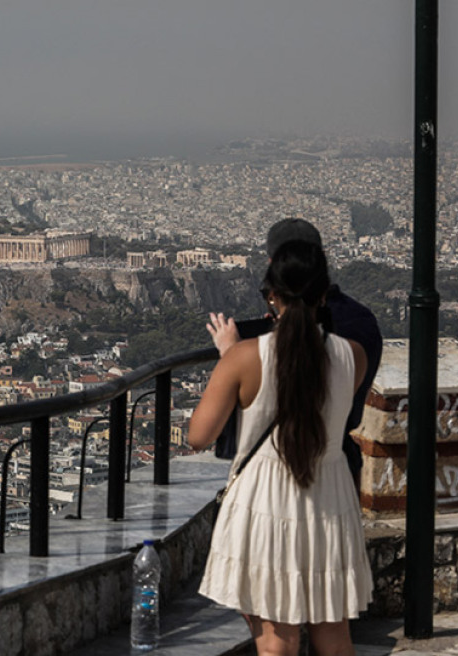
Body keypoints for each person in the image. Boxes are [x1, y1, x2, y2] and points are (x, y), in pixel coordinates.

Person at [189, 240, 372, 656]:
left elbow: (199, 435)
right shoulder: (354, 356)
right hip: (330, 495)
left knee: (276, 641)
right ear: (323, 294)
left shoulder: (244, 357)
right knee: (334, 633)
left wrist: (229, 355)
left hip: (266, 500)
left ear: (271, 296)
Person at [211, 218, 383, 489]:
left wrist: (234, 356)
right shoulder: (361, 324)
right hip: (338, 468)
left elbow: (200, 435)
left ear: (273, 268)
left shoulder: (257, 349)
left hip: (273, 473)